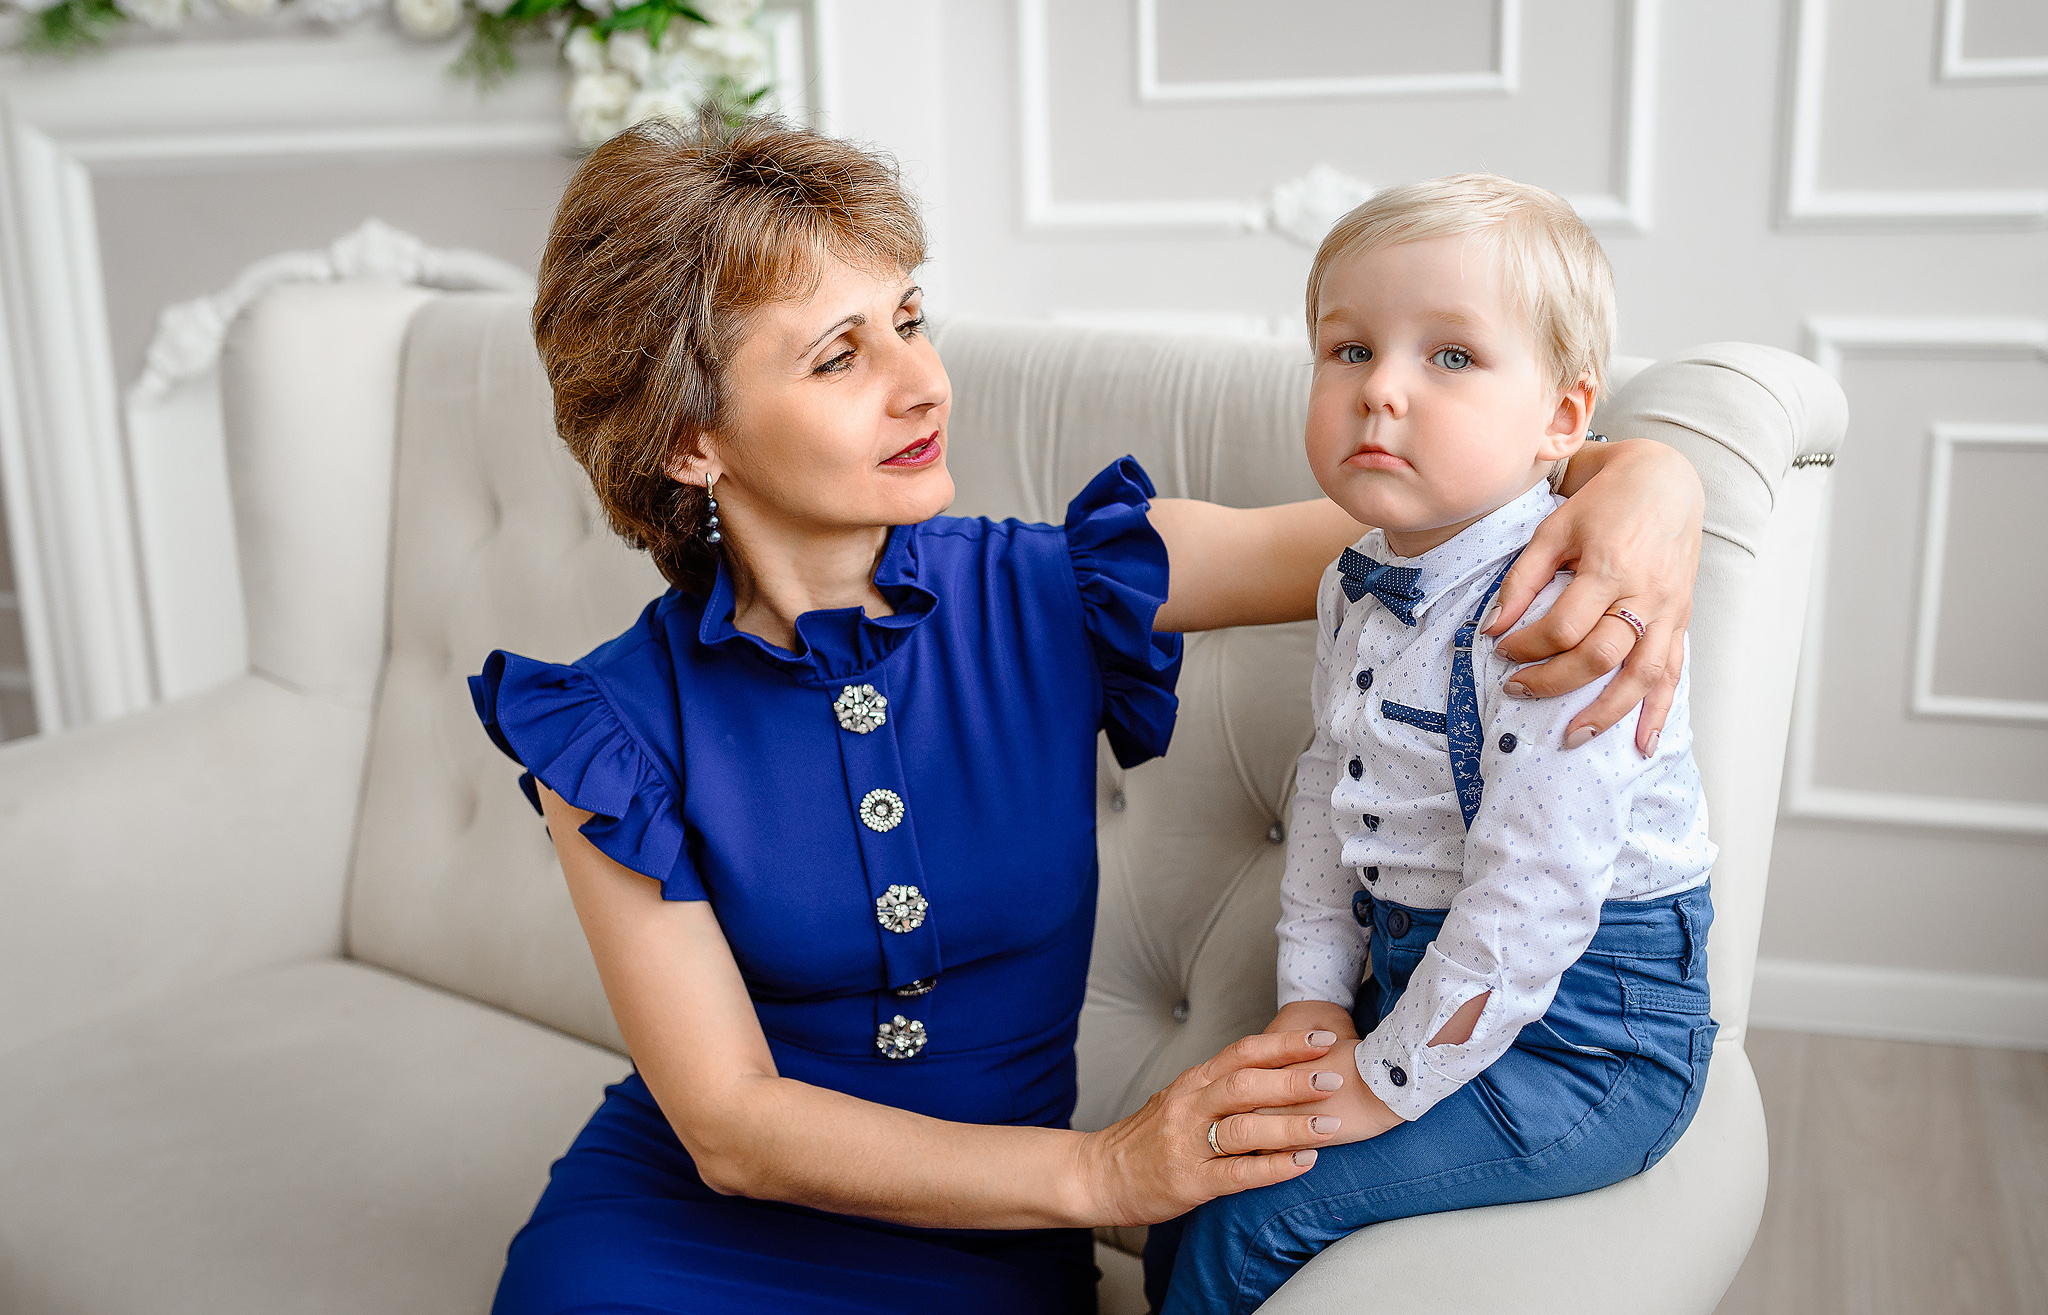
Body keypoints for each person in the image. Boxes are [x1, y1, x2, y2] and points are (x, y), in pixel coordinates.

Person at [469, 115, 1707, 1315]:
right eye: (840, 356)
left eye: (909, 321)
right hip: (686, 1229)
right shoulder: (603, 733)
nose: (921, 384)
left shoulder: (1063, 584)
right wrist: (1106, 1173)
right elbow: (730, 1128)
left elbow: (1454, 512)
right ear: (691, 440)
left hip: (978, 1245)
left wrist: (1653, 477)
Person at [1144, 174, 1721, 1314]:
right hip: (1425, 976)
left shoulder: (1555, 610)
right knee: (1192, 1171)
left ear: (1563, 418)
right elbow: (1326, 786)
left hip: (1587, 1032)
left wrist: (1382, 1080)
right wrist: (1313, 996)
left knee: (1251, 1212)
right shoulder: (1354, 579)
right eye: (1349, 350)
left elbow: (1533, 895)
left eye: (1451, 355)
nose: (1381, 390)